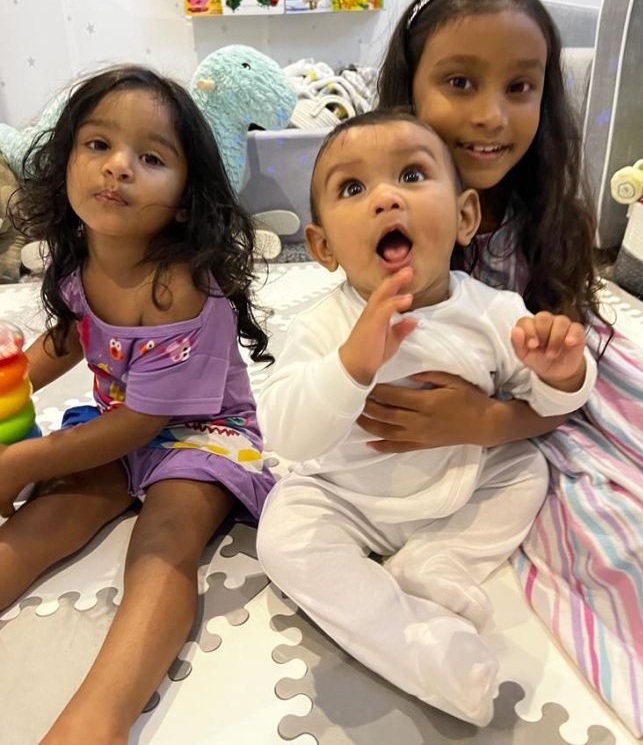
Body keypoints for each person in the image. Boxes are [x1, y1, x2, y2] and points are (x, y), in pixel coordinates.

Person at [374, 0, 643, 738]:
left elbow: (568, 353)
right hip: (472, 422)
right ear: (409, 90)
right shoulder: (385, 216)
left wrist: (500, 415)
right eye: (459, 82)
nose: (490, 115)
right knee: (620, 542)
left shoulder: (544, 204)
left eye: (519, 87)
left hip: (556, 391)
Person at [255, 110, 597, 726]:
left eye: (411, 175)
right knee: (283, 535)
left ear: (465, 217)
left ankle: (441, 561)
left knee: (526, 469)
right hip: (345, 497)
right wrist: (350, 366)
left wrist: (561, 372)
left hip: (458, 487)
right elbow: (285, 433)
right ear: (324, 247)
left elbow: (548, 407)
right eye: (352, 187)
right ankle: (423, 648)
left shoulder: (495, 312)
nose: (386, 198)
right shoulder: (320, 324)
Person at [0, 66, 274, 743]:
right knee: (44, 519)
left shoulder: (180, 285)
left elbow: (145, 423)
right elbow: (70, 338)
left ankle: (99, 720)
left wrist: (22, 461)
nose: (118, 166)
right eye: (98, 144)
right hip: (114, 427)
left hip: (201, 433)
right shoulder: (79, 261)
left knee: (163, 544)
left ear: (183, 199)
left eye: (150, 158)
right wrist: (12, 382)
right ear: (65, 164)